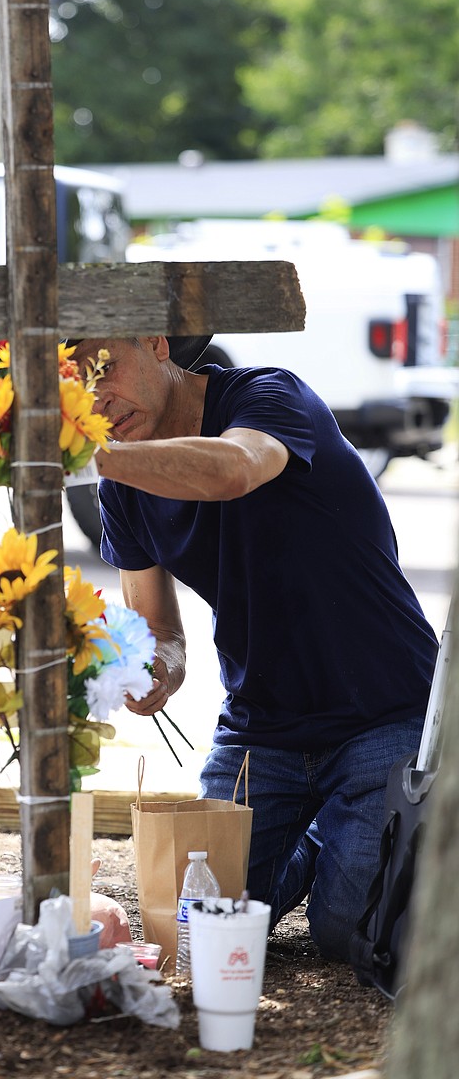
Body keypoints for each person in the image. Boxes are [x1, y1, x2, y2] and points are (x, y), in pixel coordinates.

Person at [69, 334, 438, 962]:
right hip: (260, 725)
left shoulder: (270, 395)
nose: (94, 395)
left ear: (157, 342)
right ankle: (338, 833)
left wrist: (82, 456)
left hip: (387, 709)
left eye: (103, 365)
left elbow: (232, 470)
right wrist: (155, 670)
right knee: (192, 924)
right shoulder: (123, 488)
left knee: (344, 931)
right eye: (71, 385)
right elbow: (160, 632)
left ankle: (350, 832)